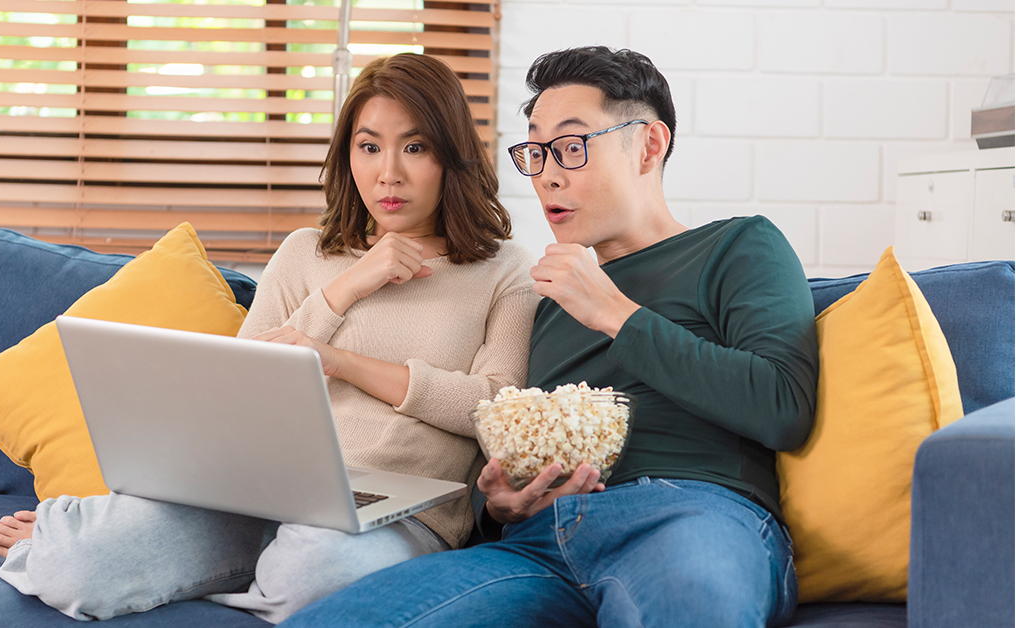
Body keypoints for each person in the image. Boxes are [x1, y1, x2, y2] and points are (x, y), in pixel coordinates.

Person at [0, 53, 540, 624]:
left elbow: (498, 409)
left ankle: (224, 577)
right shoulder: (306, 253)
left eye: (414, 147)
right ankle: (114, 543)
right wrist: (347, 286)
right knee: (71, 563)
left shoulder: (504, 271)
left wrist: (341, 361)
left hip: (396, 515)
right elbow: (239, 387)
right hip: (259, 492)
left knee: (311, 575)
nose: (387, 172)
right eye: (369, 147)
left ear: (451, 156)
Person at [277, 46, 819, 628]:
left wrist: (616, 312)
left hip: (689, 512)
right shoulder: (545, 302)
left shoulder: (737, 247)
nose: (548, 175)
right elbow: (502, 447)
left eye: (570, 146)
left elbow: (782, 407)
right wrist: (501, 505)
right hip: (538, 544)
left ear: (649, 145)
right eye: (535, 152)